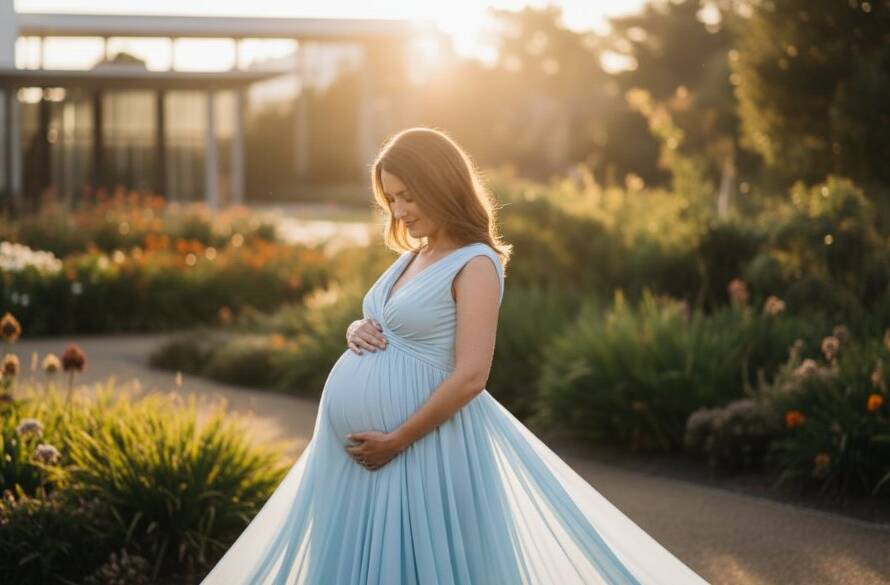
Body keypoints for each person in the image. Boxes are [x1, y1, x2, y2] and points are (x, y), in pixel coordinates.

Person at [198, 127, 710, 584]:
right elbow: (393, 325)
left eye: (408, 196)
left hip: (421, 450)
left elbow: (471, 376)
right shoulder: (413, 257)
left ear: (442, 184)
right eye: (391, 200)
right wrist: (357, 327)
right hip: (362, 459)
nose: (399, 211)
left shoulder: (476, 263)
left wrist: (396, 439)